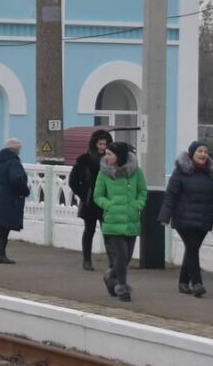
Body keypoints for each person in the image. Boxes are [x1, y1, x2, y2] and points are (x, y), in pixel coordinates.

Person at [158, 141, 213, 297]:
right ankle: (197, 283)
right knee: (192, 247)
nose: (203, 154)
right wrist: (164, 216)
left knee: (192, 249)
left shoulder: (211, 174)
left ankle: (183, 282)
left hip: (204, 218)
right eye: (199, 151)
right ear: (192, 154)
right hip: (183, 218)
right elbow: (171, 195)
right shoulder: (180, 172)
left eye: (205, 152)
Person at [94, 142, 146, 302]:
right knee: (121, 255)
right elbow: (98, 196)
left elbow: (142, 191)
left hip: (131, 220)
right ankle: (122, 287)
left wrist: (137, 205)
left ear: (120, 155)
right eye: (106, 154)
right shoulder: (104, 173)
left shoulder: (136, 172)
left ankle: (110, 276)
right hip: (112, 221)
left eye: (110, 153)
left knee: (127, 257)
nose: (106, 156)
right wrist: (109, 205)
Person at [69, 129, 113, 271]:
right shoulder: (84, 160)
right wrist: (84, 194)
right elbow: (73, 181)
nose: (102, 147)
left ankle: (113, 261)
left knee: (108, 231)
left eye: (105, 144)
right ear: (94, 144)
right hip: (89, 202)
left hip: (106, 201)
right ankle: (87, 260)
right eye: (100, 144)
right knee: (89, 230)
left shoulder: (111, 160)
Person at [0, 138, 31, 264]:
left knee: (3, 227)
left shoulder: (1, 162)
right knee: (5, 227)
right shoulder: (14, 163)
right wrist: (25, 191)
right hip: (9, 198)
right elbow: (16, 179)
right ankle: (0, 255)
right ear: (16, 150)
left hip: (0, 196)